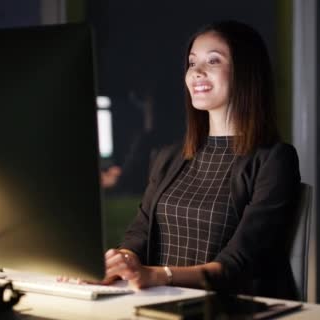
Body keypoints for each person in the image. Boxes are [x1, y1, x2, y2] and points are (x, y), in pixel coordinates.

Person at [100, 20, 301, 300]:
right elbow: (140, 234)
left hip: (226, 308)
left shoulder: (275, 160)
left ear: (246, 72)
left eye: (213, 61)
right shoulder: (169, 156)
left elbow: (236, 267)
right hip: (160, 301)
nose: (196, 72)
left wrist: (157, 275)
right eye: (192, 63)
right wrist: (117, 263)